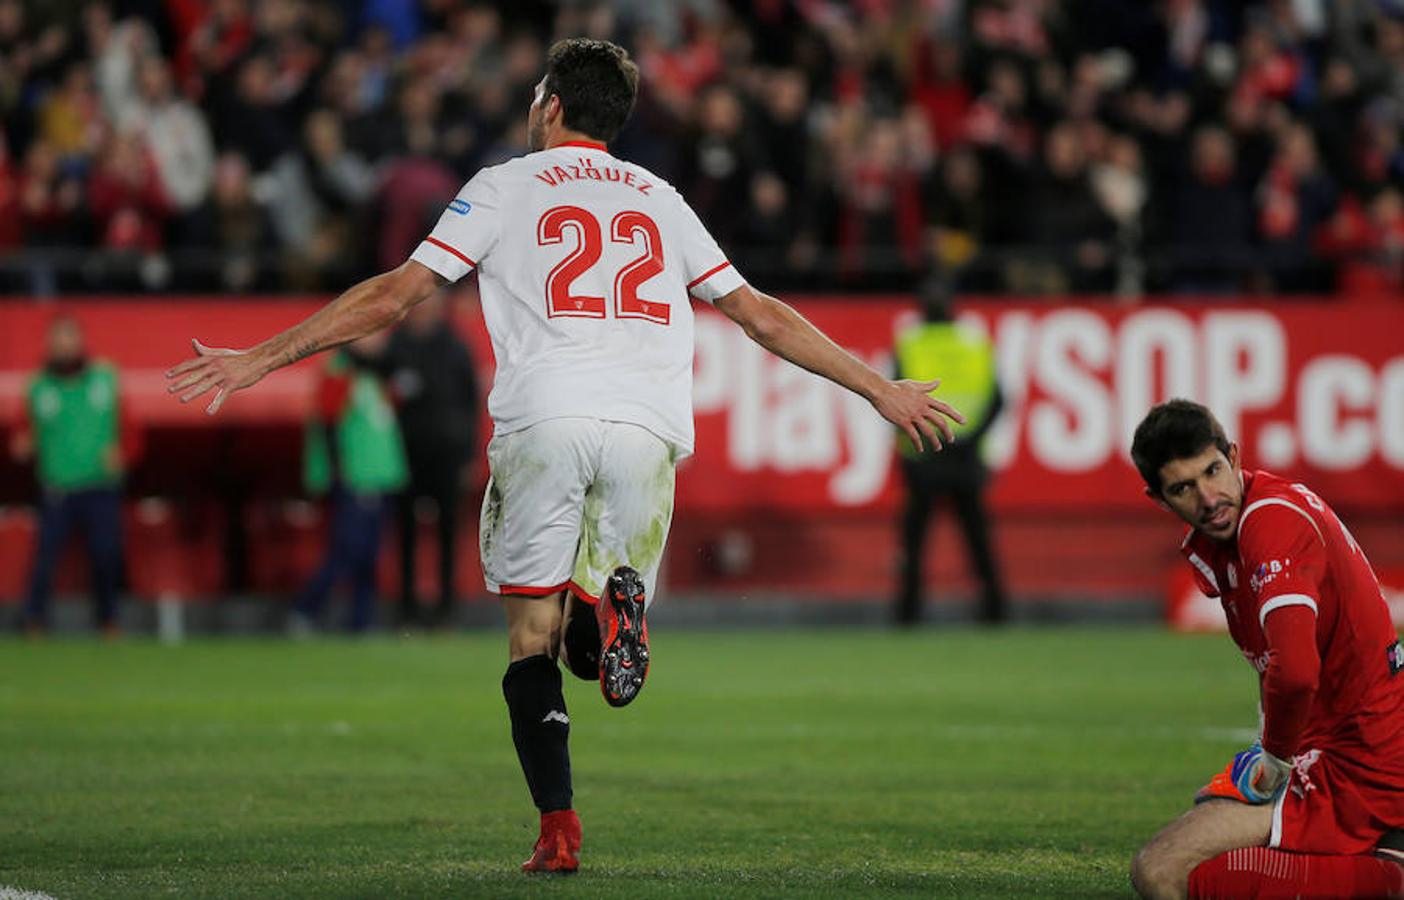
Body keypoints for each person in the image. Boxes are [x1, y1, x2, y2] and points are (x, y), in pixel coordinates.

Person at [165, 38, 963, 875]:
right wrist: (879, 388)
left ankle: (559, 829)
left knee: (530, 641)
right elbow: (759, 315)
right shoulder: (662, 196)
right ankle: (609, 610)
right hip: (649, 431)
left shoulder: (504, 185)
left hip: (547, 417)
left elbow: (397, 293)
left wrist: (260, 357)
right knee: (588, 640)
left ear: (550, 105)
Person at [1128, 399, 1404, 900]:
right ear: (1159, 498)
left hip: (1362, 761)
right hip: (1362, 746)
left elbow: (1296, 673)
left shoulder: (1269, 524)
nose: (1208, 498)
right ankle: (1381, 862)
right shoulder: (1251, 520)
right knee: (1212, 834)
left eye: (1212, 471)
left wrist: (1275, 758)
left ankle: (1388, 878)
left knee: (1162, 870)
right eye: (1183, 488)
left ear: (1233, 456)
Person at [11, 314, 139, 635]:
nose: (65, 346)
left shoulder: (105, 378)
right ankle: (33, 621)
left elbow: (132, 431)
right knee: (45, 557)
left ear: (81, 342)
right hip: (58, 486)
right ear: (50, 345)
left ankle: (108, 620)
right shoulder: (38, 386)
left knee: (106, 555)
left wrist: (124, 454)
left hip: (101, 484)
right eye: (58, 340)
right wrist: (22, 444)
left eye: (70, 339)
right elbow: (22, 431)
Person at [892, 282, 1006, 625]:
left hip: (924, 454)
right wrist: (970, 439)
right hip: (966, 456)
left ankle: (908, 615)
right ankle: (995, 611)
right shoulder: (974, 343)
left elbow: (892, 399)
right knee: (977, 538)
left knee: (914, 540)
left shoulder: (910, 343)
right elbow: (998, 400)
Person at [290, 332, 407, 634]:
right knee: (347, 550)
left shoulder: (370, 373)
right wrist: (337, 473)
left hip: (380, 474)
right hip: (356, 476)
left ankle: (361, 620)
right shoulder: (339, 372)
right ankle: (306, 608)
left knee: (368, 553)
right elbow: (328, 424)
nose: (380, 340)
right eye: (374, 334)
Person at [381, 295, 480, 628]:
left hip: (447, 453)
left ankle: (446, 609)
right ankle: (406, 607)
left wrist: (468, 456)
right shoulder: (394, 346)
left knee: (448, 531)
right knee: (405, 531)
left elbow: (471, 405)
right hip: (404, 452)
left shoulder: (455, 347)